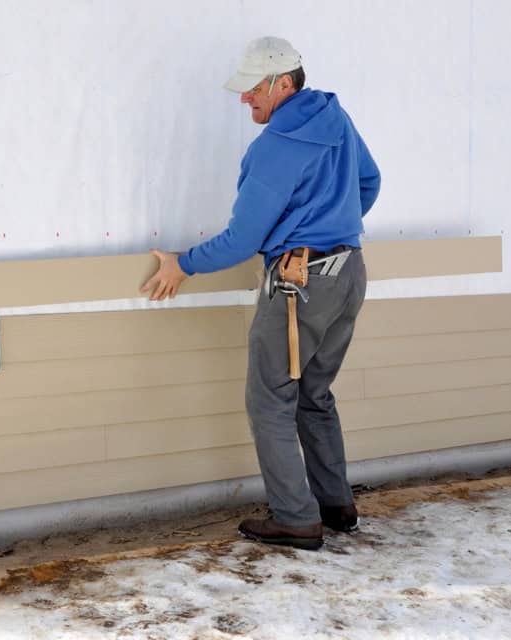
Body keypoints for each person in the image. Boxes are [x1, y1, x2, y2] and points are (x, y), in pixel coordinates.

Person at [140, 37, 381, 550]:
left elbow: (243, 240)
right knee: (314, 395)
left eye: (252, 90)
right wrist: (330, 223)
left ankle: (297, 519)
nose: (245, 99)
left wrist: (182, 264)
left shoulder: (274, 147)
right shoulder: (336, 120)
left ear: (283, 83)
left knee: (269, 401)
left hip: (300, 284)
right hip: (349, 272)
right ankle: (336, 506)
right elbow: (369, 182)